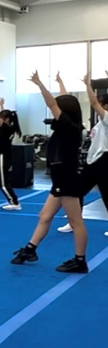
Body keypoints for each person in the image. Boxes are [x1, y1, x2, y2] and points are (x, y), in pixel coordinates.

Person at [11, 71, 88, 273]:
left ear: (64, 111)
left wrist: (39, 84)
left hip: (66, 180)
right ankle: (30, 250)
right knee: (44, 215)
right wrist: (60, 82)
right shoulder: (68, 125)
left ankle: (80, 261)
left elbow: (53, 103)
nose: (54, 112)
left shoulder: (68, 128)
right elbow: (62, 100)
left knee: (76, 221)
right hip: (60, 180)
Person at [58, 74, 108, 236]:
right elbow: (66, 103)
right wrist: (60, 83)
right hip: (92, 161)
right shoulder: (100, 123)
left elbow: (93, 103)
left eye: (101, 105)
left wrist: (88, 85)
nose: (97, 107)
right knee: (77, 191)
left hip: (104, 161)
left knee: (106, 194)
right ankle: (74, 221)